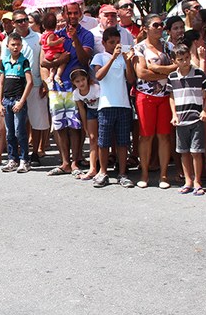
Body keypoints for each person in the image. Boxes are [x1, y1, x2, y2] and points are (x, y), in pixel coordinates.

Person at [43, 2, 94, 177]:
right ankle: (64, 162)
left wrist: (75, 40)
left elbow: (84, 58)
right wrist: (60, 60)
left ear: (80, 14)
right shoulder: (56, 35)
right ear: (64, 15)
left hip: (76, 87)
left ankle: (75, 162)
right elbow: (44, 61)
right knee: (59, 125)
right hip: (57, 87)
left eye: (75, 13)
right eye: (69, 13)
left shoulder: (86, 35)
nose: (72, 16)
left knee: (75, 125)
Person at [133, 14, 177, 188]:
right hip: (146, 96)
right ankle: (144, 174)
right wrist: (167, 71)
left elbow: (178, 67)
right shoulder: (140, 48)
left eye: (162, 25)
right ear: (145, 28)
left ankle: (164, 175)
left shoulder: (169, 46)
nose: (160, 28)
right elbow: (141, 73)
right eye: (156, 25)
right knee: (146, 136)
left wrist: (157, 68)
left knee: (165, 136)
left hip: (167, 95)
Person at [90, 27, 136, 188]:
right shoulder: (99, 57)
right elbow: (98, 76)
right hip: (106, 105)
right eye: (111, 42)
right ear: (104, 43)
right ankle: (103, 172)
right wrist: (112, 58)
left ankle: (122, 173)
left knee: (123, 141)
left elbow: (130, 79)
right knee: (104, 141)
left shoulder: (123, 58)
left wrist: (127, 61)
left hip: (123, 104)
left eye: (117, 42)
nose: (115, 45)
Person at [168, 43, 206, 196]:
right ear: (175, 61)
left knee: (196, 152)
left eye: (187, 58)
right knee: (184, 152)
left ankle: (197, 181)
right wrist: (174, 114)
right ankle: (188, 180)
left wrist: (204, 110)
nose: (185, 62)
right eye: (180, 59)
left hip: (196, 119)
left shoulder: (199, 73)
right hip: (181, 120)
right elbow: (171, 96)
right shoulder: (172, 77)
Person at [0, 33, 33, 173]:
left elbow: (29, 82)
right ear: (7, 46)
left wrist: (22, 101)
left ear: (22, 46)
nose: (15, 47)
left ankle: (25, 160)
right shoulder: (5, 61)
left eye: (18, 44)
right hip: (6, 100)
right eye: (13, 44)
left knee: (20, 131)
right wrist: (0, 103)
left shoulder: (24, 61)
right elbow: (1, 83)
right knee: (9, 132)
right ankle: (13, 159)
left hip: (18, 100)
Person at [71, 68, 100, 181]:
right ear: (74, 83)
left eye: (83, 79)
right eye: (77, 81)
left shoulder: (95, 89)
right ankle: (93, 168)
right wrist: (85, 125)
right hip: (90, 112)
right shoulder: (76, 93)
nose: (81, 83)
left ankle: (103, 165)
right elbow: (82, 109)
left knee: (103, 139)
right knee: (92, 138)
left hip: (101, 110)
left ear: (87, 79)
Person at [40, 12, 65, 84]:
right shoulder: (51, 34)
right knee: (64, 61)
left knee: (53, 66)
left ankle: (51, 77)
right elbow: (49, 43)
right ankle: (58, 75)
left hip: (47, 53)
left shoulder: (43, 34)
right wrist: (58, 41)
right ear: (55, 25)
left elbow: (40, 42)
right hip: (53, 53)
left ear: (43, 26)